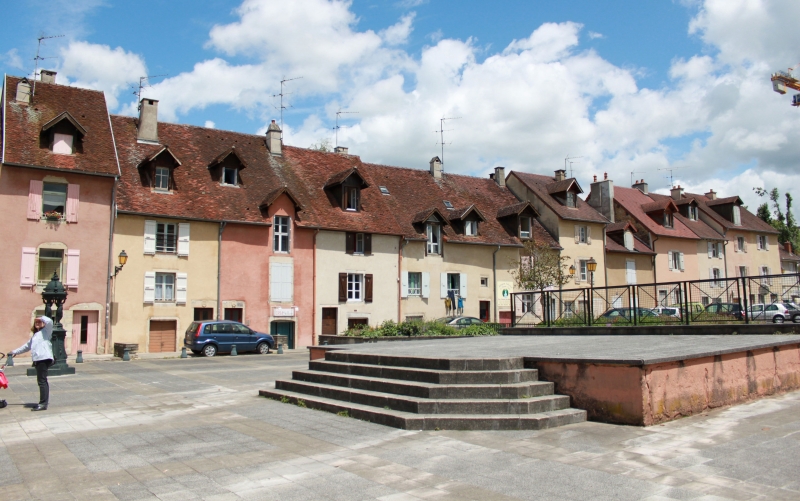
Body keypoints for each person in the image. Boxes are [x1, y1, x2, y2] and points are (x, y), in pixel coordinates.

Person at [10, 316, 54, 411]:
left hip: (44, 358)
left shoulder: (46, 331)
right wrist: (14, 352)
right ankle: (43, 402)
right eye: (36, 322)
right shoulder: (35, 335)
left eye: (39, 322)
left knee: (42, 381)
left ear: (43, 323)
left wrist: (41, 317)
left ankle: (43, 404)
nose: (37, 323)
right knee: (41, 381)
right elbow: (26, 346)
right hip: (38, 359)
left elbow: (50, 321)